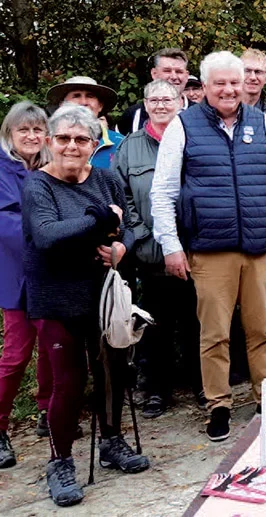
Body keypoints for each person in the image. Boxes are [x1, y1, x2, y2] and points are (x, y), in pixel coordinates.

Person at [151, 51, 266, 442]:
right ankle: (218, 405)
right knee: (214, 333)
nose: (229, 89)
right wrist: (171, 244)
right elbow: (163, 191)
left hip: (259, 245)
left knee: (262, 329)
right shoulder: (183, 126)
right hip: (210, 248)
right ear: (204, 86)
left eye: (234, 82)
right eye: (220, 83)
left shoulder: (264, 123)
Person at [22, 105, 150, 507]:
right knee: (69, 380)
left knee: (113, 371)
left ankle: (111, 441)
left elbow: (125, 222)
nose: (72, 147)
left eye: (81, 140)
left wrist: (120, 245)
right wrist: (98, 221)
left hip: (103, 293)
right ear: (48, 142)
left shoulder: (108, 179)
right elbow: (47, 236)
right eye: (63, 139)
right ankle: (60, 462)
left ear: (95, 145)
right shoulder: (37, 187)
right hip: (55, 296)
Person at [114, 80, 202, 418]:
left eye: (168, 99)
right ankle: (157, 391)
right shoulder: (130, 147)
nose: (161, 105)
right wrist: (146, 233)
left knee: (198, 322)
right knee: (156, 327)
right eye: (154, 99)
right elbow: (121, 195)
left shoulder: (195, 138)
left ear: (181, 102)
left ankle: (202, 384)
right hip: (151, 253)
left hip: (195, 250)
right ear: (145, 104)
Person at [0, 101, 52, 469]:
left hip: (52, 276)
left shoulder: (52, 166)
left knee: (53, 349)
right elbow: (7, 223)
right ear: (10, 134)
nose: (32, 136)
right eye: (24, 130)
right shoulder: (2, 169)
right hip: (17, 275)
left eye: (37, 129)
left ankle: (48, 412)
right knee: (16, 355)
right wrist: (53, 239)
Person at [46, 76, 124, 169]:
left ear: (100, 106)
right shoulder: (46, 142)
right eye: (76, 95)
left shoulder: (121, 143)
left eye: (90, 96)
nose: (83, 102)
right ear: (62, 105)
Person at [117, 48, 193, 135]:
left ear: (186, 76)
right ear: (154, 74)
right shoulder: (133, 115)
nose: (174, 76)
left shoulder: (201, 113)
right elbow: (118, 146)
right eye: (167, 71)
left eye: (179, 71)